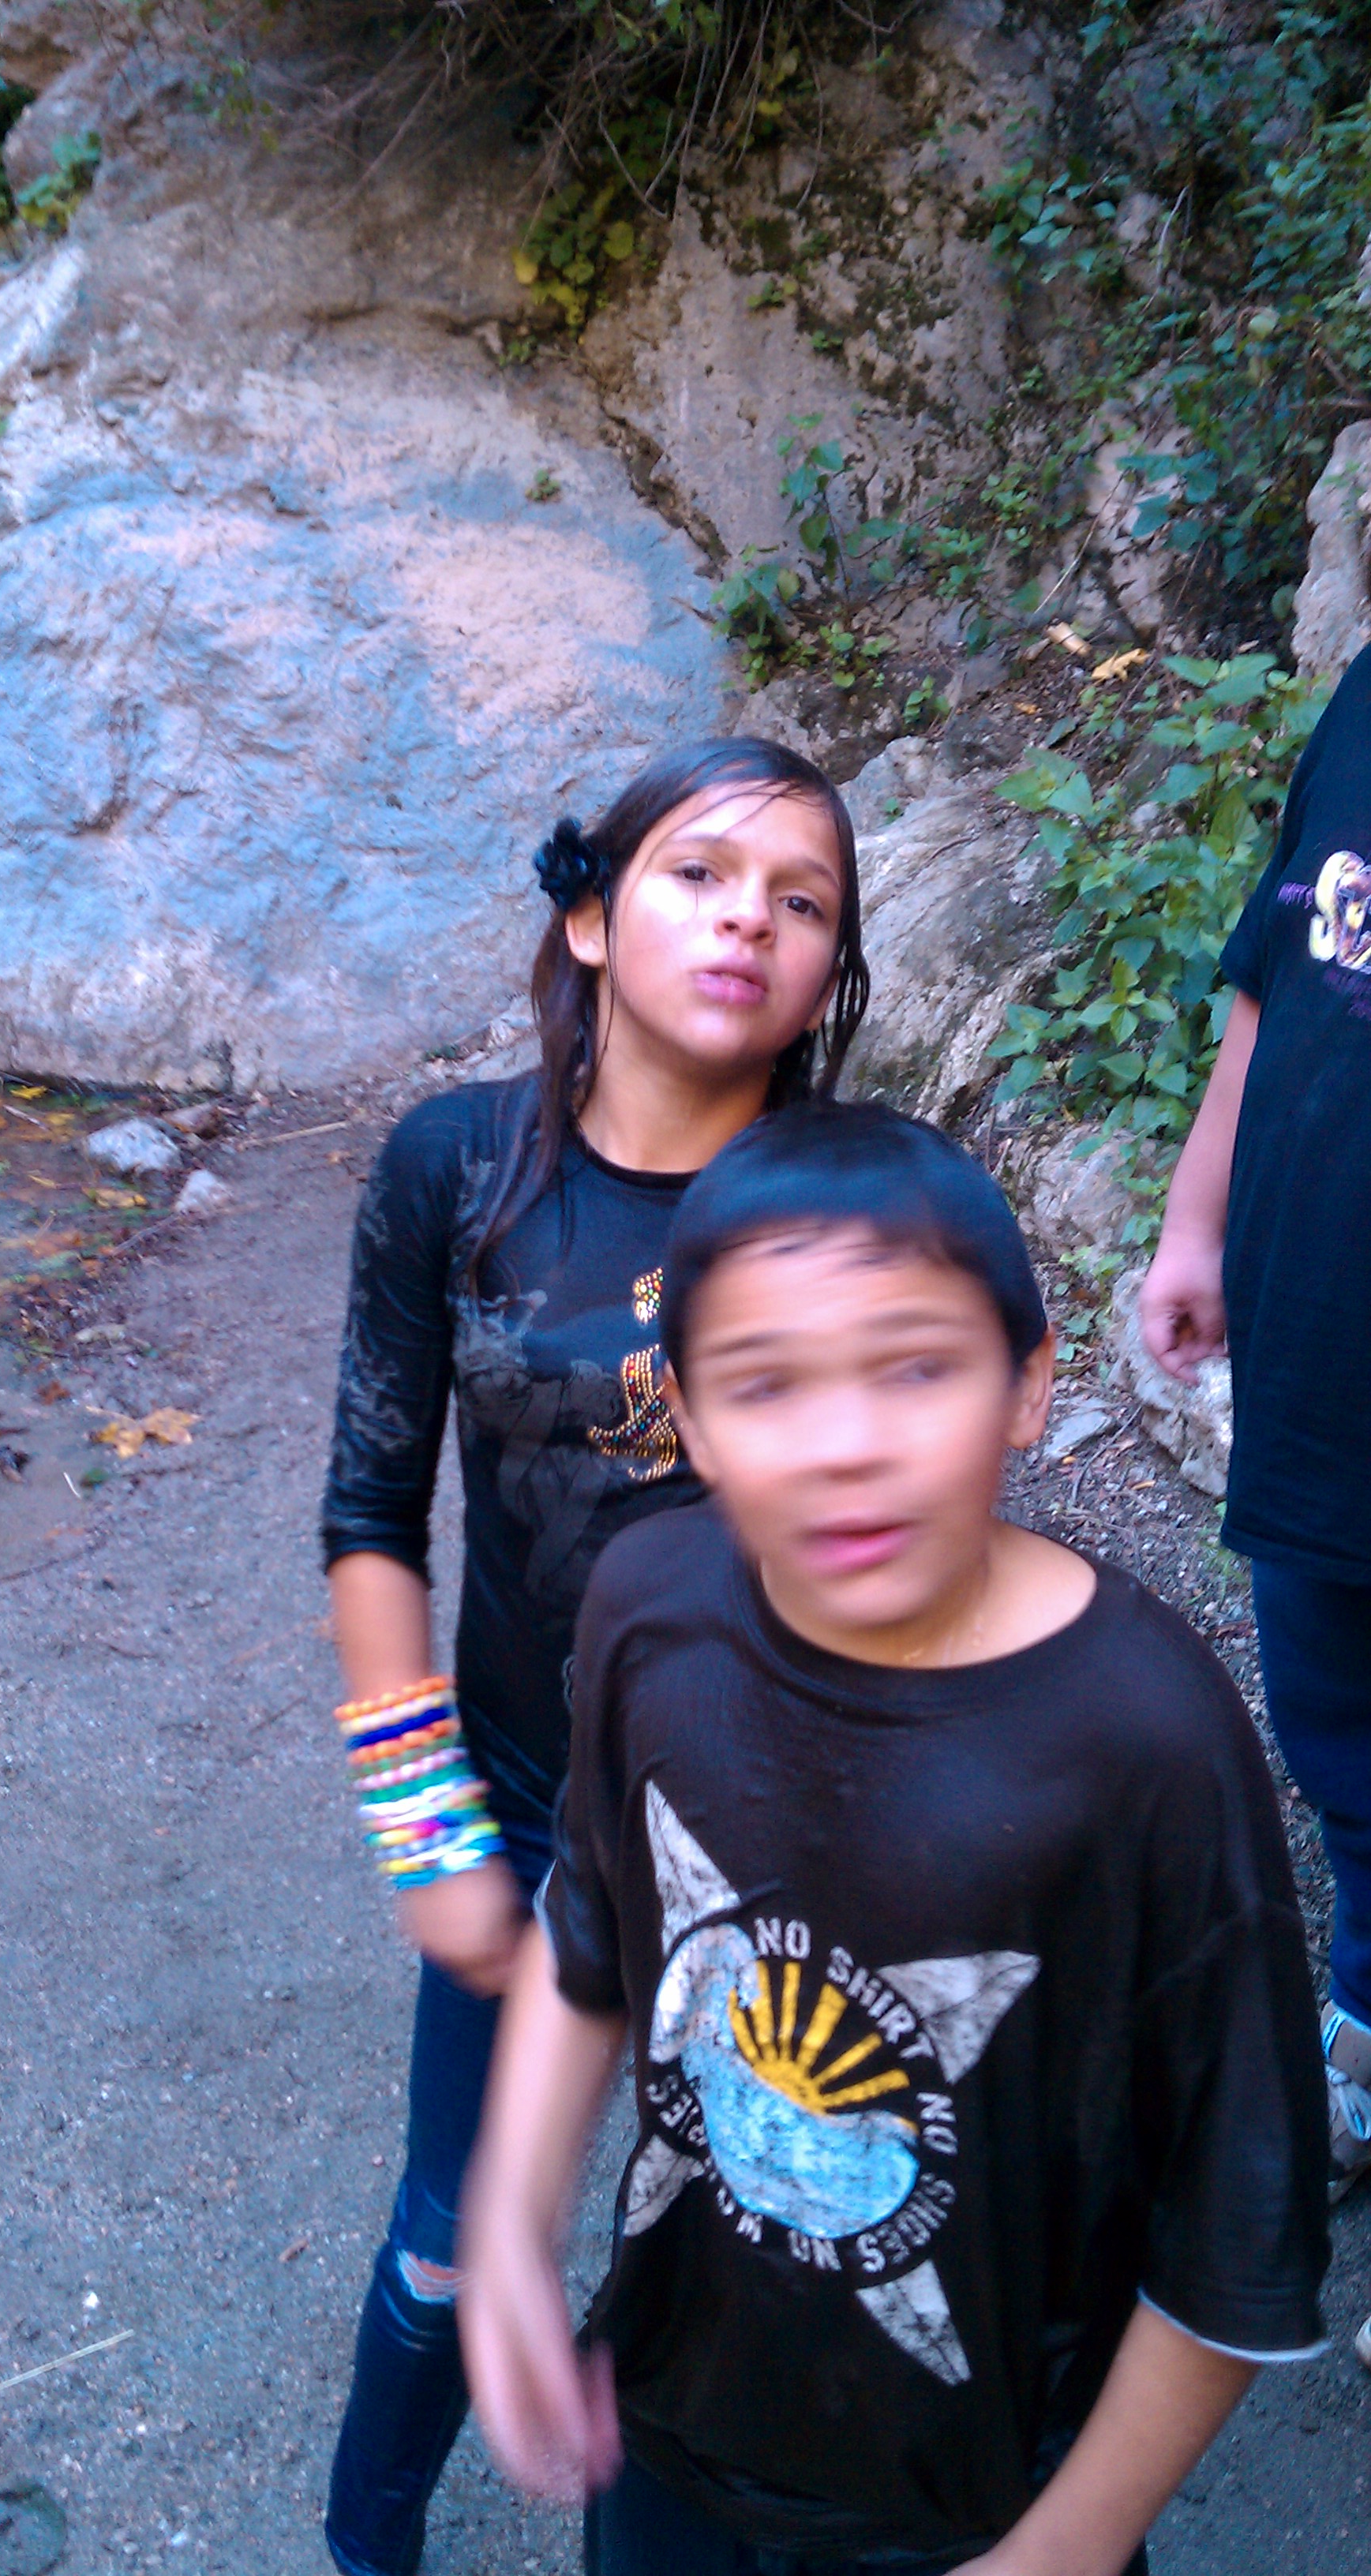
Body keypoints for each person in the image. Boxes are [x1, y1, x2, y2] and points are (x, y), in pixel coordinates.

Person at [460, 1101, 1328, 2576]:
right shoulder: (648, 1611)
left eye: (917, 1367)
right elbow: (590, 1939)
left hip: (983, 2509)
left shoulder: (1149, 1741)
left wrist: (1066, 2549)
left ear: (1029, 1384)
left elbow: (1237, 2229)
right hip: (670, 2428)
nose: (847, 1448)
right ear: (688, 1417)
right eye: (765, 1385)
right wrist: (505, 2224)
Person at [318, 737, 870, 2575]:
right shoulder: (455, 1167)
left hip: (777, 1823)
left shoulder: (853, 1206)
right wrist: (426, 1834)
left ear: (830, 971)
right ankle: (366, 2544)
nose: (749, 920)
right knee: (446, 2243)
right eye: (699, 874)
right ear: (588, 917)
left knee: (754, 2256)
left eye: (801, 901)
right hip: (518, 1792)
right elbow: (370, 1515)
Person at [1139, 645, 1371, 2264]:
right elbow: (1268, 978)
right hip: (1323, 1350)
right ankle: (1363, 2020)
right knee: (1338, 1734)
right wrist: (1193, 1218)